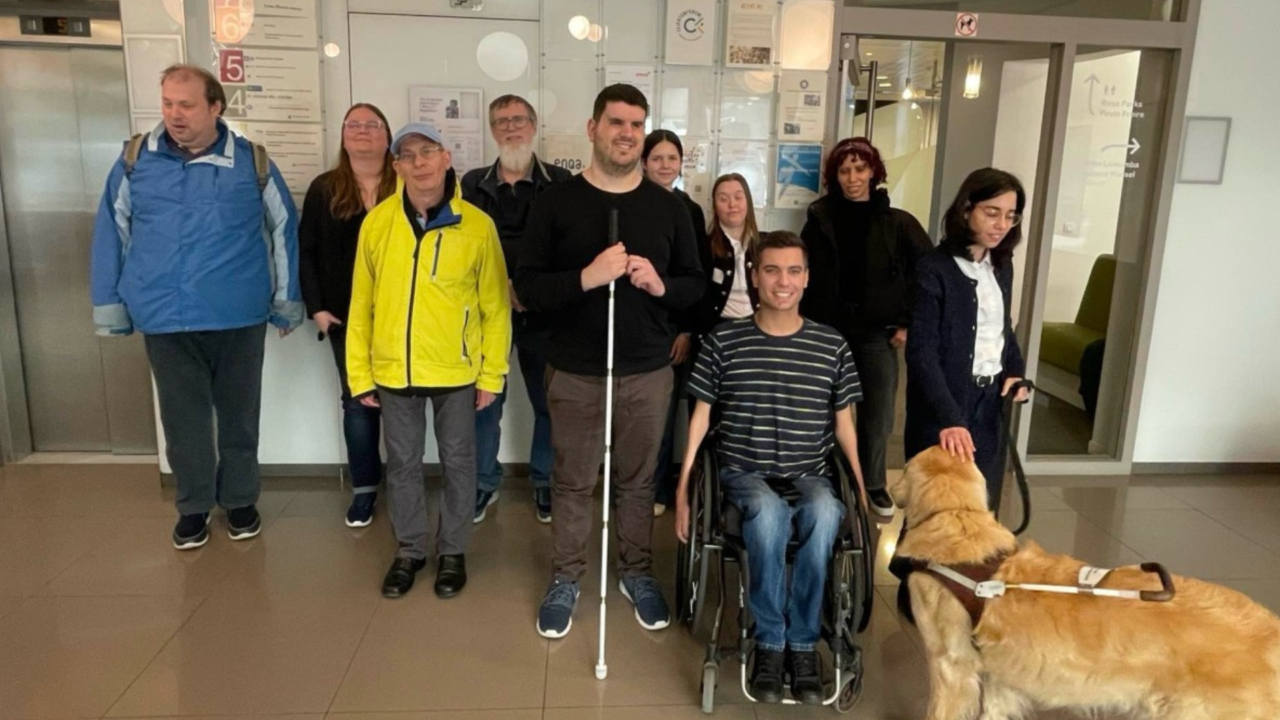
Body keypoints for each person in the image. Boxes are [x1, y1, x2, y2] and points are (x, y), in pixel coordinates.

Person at [515, 84, 704, 639]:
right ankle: (567, 578)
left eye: (637, 125)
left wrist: (659, 284)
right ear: (592, 127)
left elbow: (694, 287)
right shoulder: (554, 202)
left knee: (638, 481)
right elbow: (526, 287)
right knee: (572, 481)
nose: (627, 133)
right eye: (617, 122)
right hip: (575, 368)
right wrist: (587, 278)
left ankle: (637, 573)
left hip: (646, 370)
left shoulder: (669, 207)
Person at [90, 64, 300, 550]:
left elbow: (284, 230)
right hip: (165, 317)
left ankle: (242, 500)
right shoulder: (134, 162)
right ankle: (193, 507)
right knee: (182, 423)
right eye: (167, 103)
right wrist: (110, 305)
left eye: (186, 105)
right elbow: (110, 233)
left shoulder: (254, 162)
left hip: (237, 315)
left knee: (240, 417)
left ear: (215, 107)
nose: (174, 114)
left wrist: (287, 301)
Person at [675, 231, 866, 705]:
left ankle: (802, 644)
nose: (784, 281)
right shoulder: (724, 341)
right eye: (772, 270)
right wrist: (681, 491)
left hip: (810, 471)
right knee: (769, 511)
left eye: (794, 271)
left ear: (806, 279)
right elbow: (700, 418)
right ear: (754, 277)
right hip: (744, 471)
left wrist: (861, 493)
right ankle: (768, 640)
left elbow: (845, 425)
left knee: (826, 512)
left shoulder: (831, 345)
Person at [346, 121, 511, 599]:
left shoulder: (477, 227)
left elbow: (495, 308)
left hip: (456, 371)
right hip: (393, 369)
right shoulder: (377, 225)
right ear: (395, 166)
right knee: (401, 464)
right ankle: (411, 550)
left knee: (460, 463)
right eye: (408, 155)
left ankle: (453, 551)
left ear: (447, 159)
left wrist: (492, 374)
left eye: (428, 152)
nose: (419, 163)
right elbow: (362, 306)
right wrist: (360, 374)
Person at [800, 137, 931, 520]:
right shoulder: (819, 218)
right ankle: (834, 479)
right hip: (827, 334)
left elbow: (926, 276)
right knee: (826, 411)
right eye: (844, 170)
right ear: (834, 176)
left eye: (860, 169)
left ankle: (873, 484)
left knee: (878, 414)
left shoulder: (899, 223)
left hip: (877, 334)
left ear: (874, 171)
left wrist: (907, 321)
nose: (852, 177)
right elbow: (804, 273)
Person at [461, 95, 572, 525]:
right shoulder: (470, 184)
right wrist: (500, 288)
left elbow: (568, 247)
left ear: (534, 125)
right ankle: (483, 483)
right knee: (483, 402)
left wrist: (531, 288)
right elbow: (461, 247)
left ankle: (544, 480)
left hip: (543, 313)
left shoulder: (560, 183)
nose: (511, 128)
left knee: (550, 404)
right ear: (492, 130)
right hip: (487, 315)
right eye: (502, 121)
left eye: (519, 120)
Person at [904, 167, 1031, 506]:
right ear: (966, 210)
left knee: (980, 507)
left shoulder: (1002, 266)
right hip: (943, 401)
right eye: (992, 213)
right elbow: (921, 352)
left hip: (989, 402)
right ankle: (910, 562)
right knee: (936, 509)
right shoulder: (934, 268)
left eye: (1010, 216)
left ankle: (973, 561)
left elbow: (1003, 327)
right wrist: (949, 417)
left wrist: (1015, 371)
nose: (1002, 224)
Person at [299, 103, 398, 528]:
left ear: (386, 136)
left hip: (402, 316)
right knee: (359, 404)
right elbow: (306, 251)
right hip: (344, 318)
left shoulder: (408, 183)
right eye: (353, 125)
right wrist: (317, 308)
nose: (361, 132)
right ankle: (364, 490)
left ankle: (405, 486)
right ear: (342, 137)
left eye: (371, 125)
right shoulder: (325, 188)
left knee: (401, 406)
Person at [640, 130, 707, 517]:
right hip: (638, 324)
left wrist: (685, 330)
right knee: (641, 419)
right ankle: (637, 486)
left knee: (665, 415)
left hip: (673, 327)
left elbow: (693, 276)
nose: (665, 165)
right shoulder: (632, 201)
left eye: (672, 158)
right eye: (658, 158)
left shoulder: (689, 209)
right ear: (645, 162)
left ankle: (661, 488)